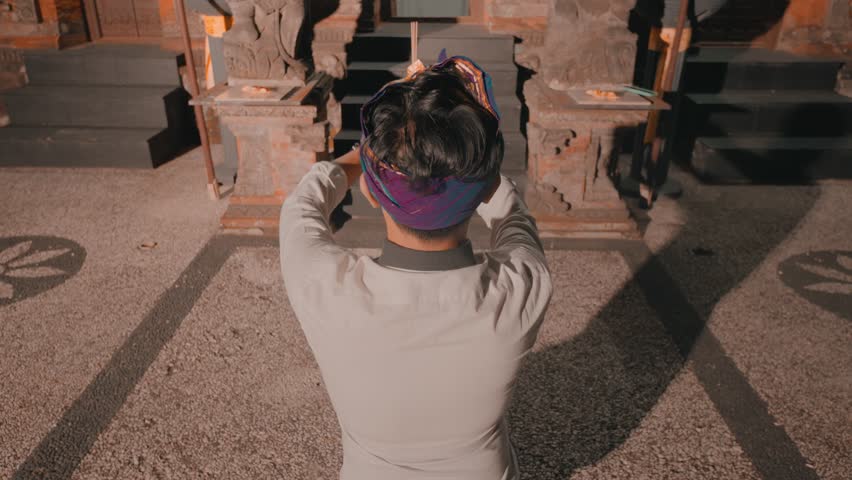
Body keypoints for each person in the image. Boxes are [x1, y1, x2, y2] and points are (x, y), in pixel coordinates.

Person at [279, 56, 553, 480]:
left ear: (371, 190)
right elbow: (512, 214)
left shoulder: (319, 285)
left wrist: (374, 148)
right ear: (478, 188)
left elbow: (304, 203)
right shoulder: (525, 287)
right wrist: (451, 137)